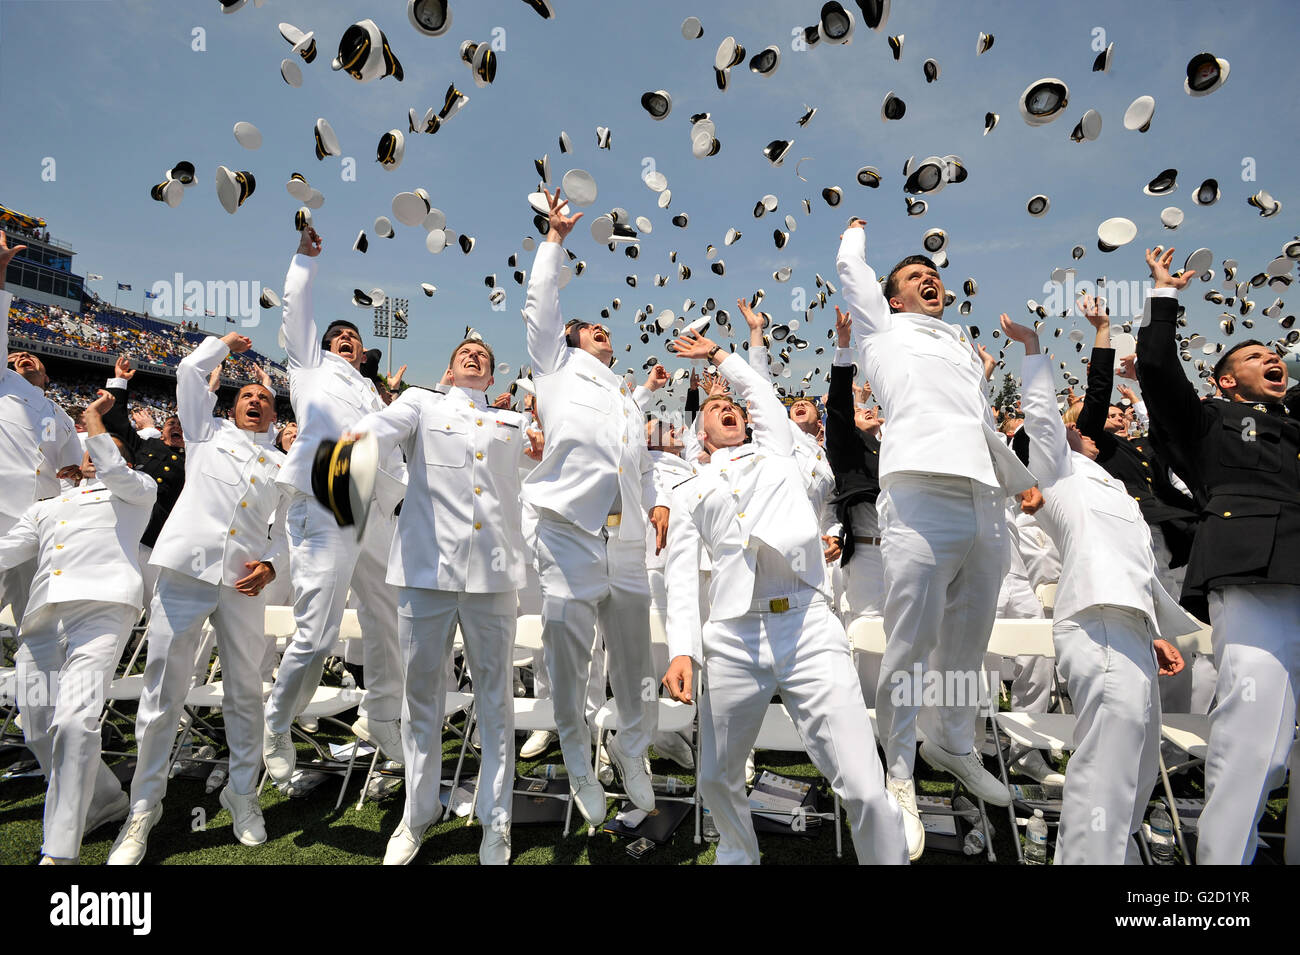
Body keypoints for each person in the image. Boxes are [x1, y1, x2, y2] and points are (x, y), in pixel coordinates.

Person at [661, 327, 907, 865]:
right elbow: (679, 573)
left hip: (807, 626)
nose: (727, 410)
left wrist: (721, 357)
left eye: (733, 406)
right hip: (733, 636)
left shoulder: (777, 452)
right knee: (717, 775)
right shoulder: (684, 490)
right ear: (699, 430)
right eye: (716, 408)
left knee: (864, 783)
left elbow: (763, 399)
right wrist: (683, 647)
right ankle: (738, 853)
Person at [836, 219, 1035, 859]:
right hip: (920, 492)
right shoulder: (882, 331)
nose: (931, 281)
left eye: (936, 277)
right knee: (911, 642)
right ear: (890, 298)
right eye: (916, 278)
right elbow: (851, 274)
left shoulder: (958, 344)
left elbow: (977, 420)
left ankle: (950, 743)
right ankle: (898, 771)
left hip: (983, 496)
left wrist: (1015, 478)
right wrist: (854, 234)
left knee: (968, 639)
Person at [1001, 311, 1196, 863]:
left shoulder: (1108, 479)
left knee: (1135, 758)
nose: (1083, 431)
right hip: (1096, 621)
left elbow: (1132, 563)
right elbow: (1040, 417)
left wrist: (1155, 629)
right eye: (1072, 428)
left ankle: (1119, 855)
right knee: (1107, 759)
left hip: (1129, 623)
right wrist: (1034, 347)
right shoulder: (1056, 471)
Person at [345, 336, 541, 865]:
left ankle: (495, 818)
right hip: (425, 573)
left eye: (485, 355)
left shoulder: (515, 425)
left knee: (496, 702)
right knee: (421, 699)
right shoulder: (420, 404)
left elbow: (550, 467)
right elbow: (375, 433)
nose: (475, 356)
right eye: (464, 353)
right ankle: (417, 811)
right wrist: (338, 461)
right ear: (449, 371)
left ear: (494, 377)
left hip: (493, 580)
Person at [1135, 245, 1300, 865]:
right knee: (1257, 741)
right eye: (1256, 356)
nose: (1273, 358)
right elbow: (1156, 368)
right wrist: (1163, 296)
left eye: (1277, 353)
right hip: (1255, 579)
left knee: (1284, 752)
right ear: (1226, 379)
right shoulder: (1208, 421)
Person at [108, 332, 286, 864]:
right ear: (230, 408)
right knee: (164, 691)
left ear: (275, 415)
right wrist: (223, 346)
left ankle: (243, 792)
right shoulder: (206, 434)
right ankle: (144, 806)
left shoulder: (283, 463)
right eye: (247, 397)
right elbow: (188, 374)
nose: (256, 401)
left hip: (242, 584)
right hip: (185, 572)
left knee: (245, 693)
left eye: (266, 399)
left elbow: (295, 531)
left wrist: (275, 563)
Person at [521, 189, 667, 825]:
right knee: (568, 656)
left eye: (607, 329)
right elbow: (540, 307)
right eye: (593, 327)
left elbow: (639, 465)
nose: (604, 331)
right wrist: (554, 240)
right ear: (572, 340)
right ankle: (578, 756)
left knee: (637, 660)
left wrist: (657, 503)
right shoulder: (555, 366)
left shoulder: (625, 397)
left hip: (626, 540)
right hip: (569, 531)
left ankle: (632, 746)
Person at [262, 226, 406, 785]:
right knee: (318, 633)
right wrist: (303, 259)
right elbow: (296, 310)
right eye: (337, 337)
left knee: (387, 617)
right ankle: (276, 722)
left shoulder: (374, 395)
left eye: (353, 340)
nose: (345, 342)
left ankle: (381, 715)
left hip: (370, 499)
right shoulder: (308, 367)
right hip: (325, 488)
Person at [0, 390, 156, 863]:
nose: (92, 451)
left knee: (73, 722)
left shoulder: (136, 489)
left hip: (102, 612)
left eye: (101, 445)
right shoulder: (48, 506)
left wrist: (93, 418)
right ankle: (106, 799)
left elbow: (114, 468)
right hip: (43, 618)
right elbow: (9, 550)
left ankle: (59, 851)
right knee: (39, 730)